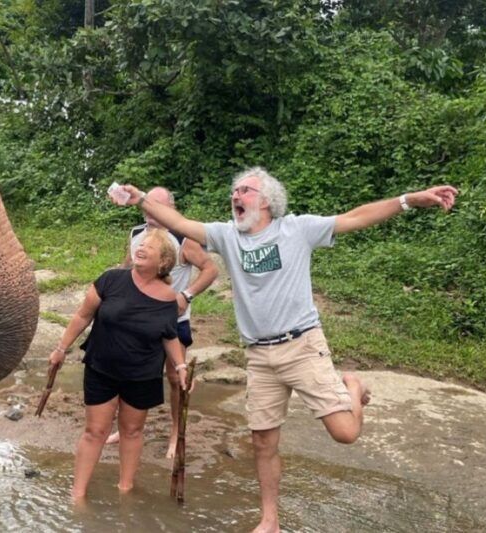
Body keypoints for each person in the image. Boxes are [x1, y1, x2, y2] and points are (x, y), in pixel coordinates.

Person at [113, 168, 457, 533]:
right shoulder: (228, 236)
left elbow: (356, 217)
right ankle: (270, 520)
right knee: (263, 440)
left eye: (245, 190)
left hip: (302, 345)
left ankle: (352, 387)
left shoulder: (297, 229)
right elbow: (180, 221)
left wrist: (410, 200)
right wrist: (142, 200)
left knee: (345, 433)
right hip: (259, 356)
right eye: (234, 190)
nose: (236, 196)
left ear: (267, 201)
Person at [49, 229, 189, 501]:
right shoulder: (111, 280)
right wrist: (60, 349)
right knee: (95, 431)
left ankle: (125, 490)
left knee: (132, 431)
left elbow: (169, 335)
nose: (141, 248)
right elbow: (82, 316)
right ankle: (77, 495)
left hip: (142, 374)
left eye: (149, 247)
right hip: (102, 368)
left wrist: (181, 367)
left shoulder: (169, 297)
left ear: (163, 262)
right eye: (141, 243)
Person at [105, 186, 218, 458]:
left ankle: (176, 434)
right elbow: (127, 268)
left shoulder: (183, 237)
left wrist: (186, 295)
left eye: (157, 204)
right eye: (147, 204)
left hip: (173, 322)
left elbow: (211, 269)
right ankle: (126, 427)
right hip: (138, 321)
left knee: (175, 377)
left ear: (170, 207)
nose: (150, 210)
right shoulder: (136, 235)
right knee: (130, 373)